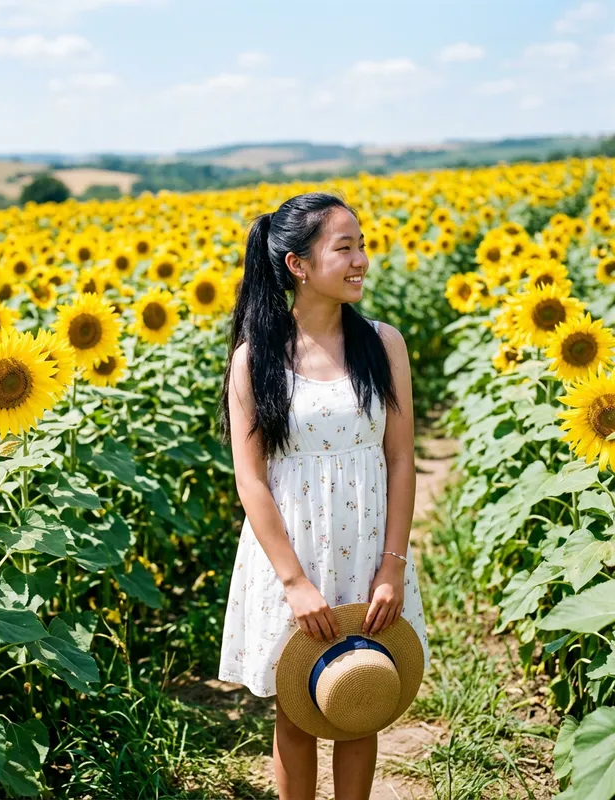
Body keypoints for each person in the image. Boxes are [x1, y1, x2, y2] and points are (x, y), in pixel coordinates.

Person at [217, 191, 430, 800]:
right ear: (298, 265)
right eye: (345, 248)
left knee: (363, 694)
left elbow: (398, 458)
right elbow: (252, 479)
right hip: (294, 553)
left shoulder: (383, 344)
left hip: (365, 546)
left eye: (362, 245)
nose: (361, 259)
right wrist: (293, 582)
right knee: (299, 705)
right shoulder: (255, 360)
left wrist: (392, 566)